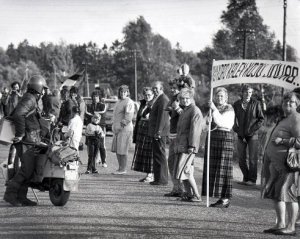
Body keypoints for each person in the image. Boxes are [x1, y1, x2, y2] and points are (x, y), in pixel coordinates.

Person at [3, 75, 49, 207]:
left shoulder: (31, 98)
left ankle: (22, 197)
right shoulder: (29, 98)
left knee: (28, 169)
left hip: (30, 139)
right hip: (25, 140)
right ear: (38, 88)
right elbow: (19, 114)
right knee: (26, 170)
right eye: (43, 89)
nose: (44, 92)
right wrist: (21, 133)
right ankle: (10, 195)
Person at [261, 91, 300, 236]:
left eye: (291, 102)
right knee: (277, 195)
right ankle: (280, 224)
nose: (287, 104)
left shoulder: (296, 119)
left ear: (297, 104)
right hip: (276, 166)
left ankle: (290, 227)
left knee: (289, 195)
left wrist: (282, 141)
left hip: (288, 166)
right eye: (285, 102)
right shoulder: (284, 118)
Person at [201, 87, 235, 208]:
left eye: (222, 96)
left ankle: (225, 198)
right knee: (213, 168)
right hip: (213, 138)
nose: (219, 98)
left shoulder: (229, 108)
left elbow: (222, 123)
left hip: (224, 138)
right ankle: (219, 196)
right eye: (217, 96)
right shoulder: (213, 109)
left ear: (226, 97)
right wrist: (207, 121)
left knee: (223, 169)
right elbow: (204, 126)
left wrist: (214, 110)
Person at [174, 88, 203, 202]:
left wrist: (192, 146)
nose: (185, 100)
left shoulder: (195, 110)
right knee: (185, 172)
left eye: (187, 98)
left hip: (188, 146)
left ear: (191, 98)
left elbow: (195, 130)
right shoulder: (185, 110)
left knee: (185, 171)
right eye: (182, 98)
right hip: (182, 145)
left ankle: (197, 195)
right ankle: (189, 194)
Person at [233, 84, 264, 186]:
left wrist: (251, 131)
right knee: (241, 159)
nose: (248, 94)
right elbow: (232, 119)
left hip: (252, 135)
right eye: (246, 92)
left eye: (250, 92)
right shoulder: (236, 104)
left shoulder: (256, 103)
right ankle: (246, 178)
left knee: (252, 159)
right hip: (240, 135)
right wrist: (237, 130)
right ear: (242, 93)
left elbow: (261, 119)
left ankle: (252, 180)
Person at [164, 80, 183, 197]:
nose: (172, 90)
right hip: (172, 134)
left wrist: (176, 108)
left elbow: (187, 116)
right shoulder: (173, 99)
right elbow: (166, 109)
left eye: (174, 88)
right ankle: (176, 187)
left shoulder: (183, 99)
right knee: (171, 162)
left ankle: (180, 188)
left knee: (177, 163)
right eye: (171, 88)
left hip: (179, 135)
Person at [148, 81, 170, 185]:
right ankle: (157, 178)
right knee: (156, 155)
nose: (154, 90)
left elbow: (162, 117)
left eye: (156, 88)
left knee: (160, 155)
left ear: (161, 88)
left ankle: (162, 179)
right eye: (153, 88)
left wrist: (159, 131)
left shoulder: (163, 99)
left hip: (159, 132)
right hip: (155, 131)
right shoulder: (157, 99)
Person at [131, 87, 154, 182]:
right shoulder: (142, 104)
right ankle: (147, 173)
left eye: (149, 95)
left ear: (153, 95)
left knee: (149, 154)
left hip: (149, 132)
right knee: (143, 153)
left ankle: (151, 174)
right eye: (145, 95)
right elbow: (139, 118)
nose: (147, 96)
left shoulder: (154, 104)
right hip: (141, 131)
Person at [111, 85, 135, 174]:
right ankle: (120, 167)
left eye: (125, 92)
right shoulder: (119, 101)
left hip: (124, 129)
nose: (123, 94)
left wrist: (120, 127)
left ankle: (123, 169)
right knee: (117, 149)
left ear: (127, 92)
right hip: (117, 129)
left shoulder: (129, 102)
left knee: (123, 149)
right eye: (121, 92)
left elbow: (128, 117)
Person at [85, 90, 107, 167]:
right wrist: (95, 114)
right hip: (91, 129)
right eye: (94, 96)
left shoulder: (102, 105)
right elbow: (87, 114)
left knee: (101, 145)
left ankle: (103, 161)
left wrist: (94, 114)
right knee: (89, 145)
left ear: (99, 97)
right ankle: (92, 161)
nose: (95, 98)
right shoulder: (88, 106)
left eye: (97, 96)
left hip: (100, 128)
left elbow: (102, 113)